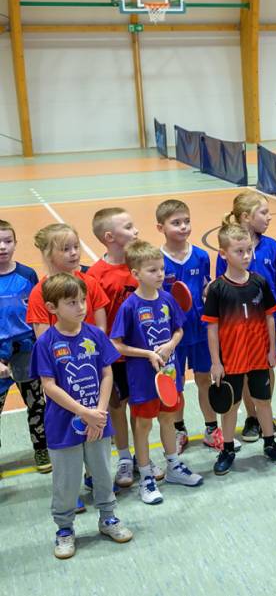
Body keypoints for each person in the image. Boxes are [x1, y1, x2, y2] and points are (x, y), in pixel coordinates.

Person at [30, 273, 132, 559]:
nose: (81, 307)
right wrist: (84, 412)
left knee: (102, 473)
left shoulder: (95, 335)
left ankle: (108, 518)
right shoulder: (46, 343)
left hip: (97, 421)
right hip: (63, 425)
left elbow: (107, 374)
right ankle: (64, 529)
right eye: (72, 302)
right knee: (67, 480)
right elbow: (48, 386)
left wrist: (99, 412)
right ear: (52, 308)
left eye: (82, 300)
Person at [110, 240, 203, 504]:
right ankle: (146, 477)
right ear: (136, 273)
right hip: (142, 378)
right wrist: (148, 354)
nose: (160, 274)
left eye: (161, 269)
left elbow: (179, 329)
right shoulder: (130, 306)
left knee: (168, 419)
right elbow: (116, 344)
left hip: (169, 374)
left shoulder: (167, 299)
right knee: (143, 425)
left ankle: (173, 466)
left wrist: (171, 344)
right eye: (152, 270)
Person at [203, 222, 276, 475]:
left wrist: (272, 349)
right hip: (231, 359)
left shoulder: (260, 282)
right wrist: (216, 362)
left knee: (264, 401)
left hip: (259, 356)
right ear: (223, 253)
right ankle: (227, 449)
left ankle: (270, 443)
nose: (246, 256)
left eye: (248, 250)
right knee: (231, 405)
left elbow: (270, 317)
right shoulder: (217, 289)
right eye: (239, 251)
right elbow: (211, 328)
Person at [156, 199, 228, 452]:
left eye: (186, 221)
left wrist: (212, 292)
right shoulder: (157, 260)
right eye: (176, 223)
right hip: (171, 335)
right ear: (160, 228)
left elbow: (204, 288)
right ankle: (179, 430)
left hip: (199, 329)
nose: (183, 226)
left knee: (204, 379)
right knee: (174, 385)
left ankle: (211, 429)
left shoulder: (200, 256)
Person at [217, 190, 276, 444]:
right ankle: (252, 417)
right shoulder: (227, 251)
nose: (269, 217)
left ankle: (266, 413)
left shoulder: (272, 246)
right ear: (245, 217)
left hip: (266, 321)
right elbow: (221, 287)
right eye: (263, 212)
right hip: (238, 325)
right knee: (243, 371)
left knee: (266, 367)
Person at [88, 208, 140, 486]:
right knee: (118, 409)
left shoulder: (140, 264)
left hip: (141, 353)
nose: (136, 231)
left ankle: (143, 456)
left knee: (142, 407)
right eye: (128, 227)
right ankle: (124, 458)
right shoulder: (96, 275)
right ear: (109, 237)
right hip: (115, 358)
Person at [0, 220, 49, 473]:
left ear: (15, 243)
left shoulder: (27, 275)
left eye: (7, 241)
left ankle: (41, 448)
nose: (2, 246)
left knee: (37, 404)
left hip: (26, 351)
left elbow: (37, 313)